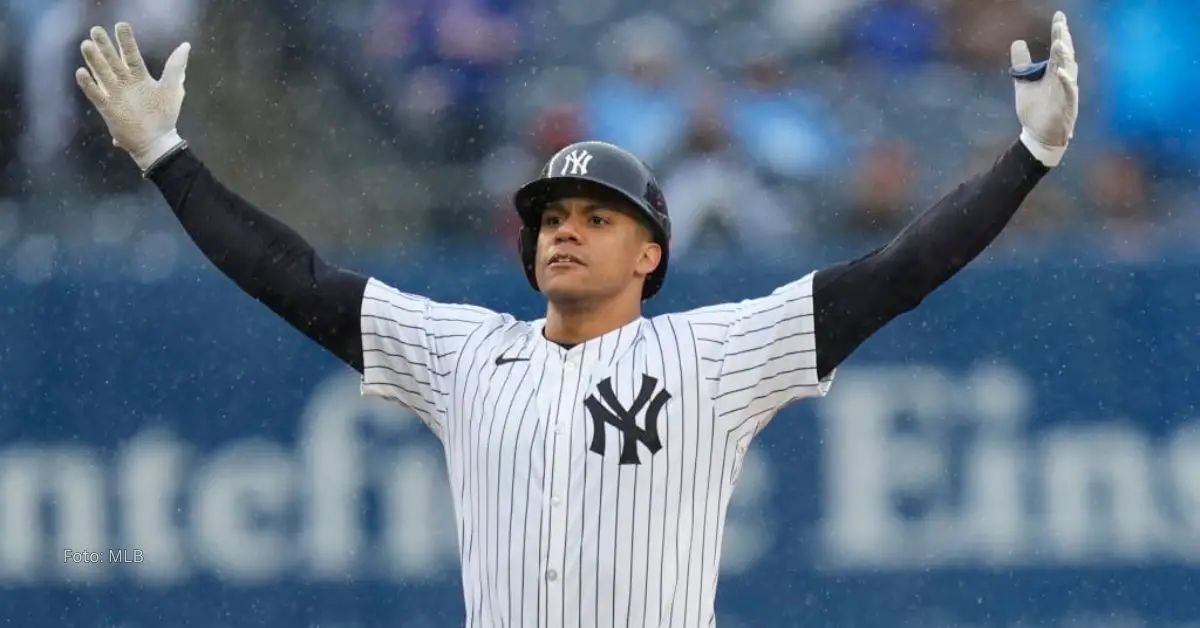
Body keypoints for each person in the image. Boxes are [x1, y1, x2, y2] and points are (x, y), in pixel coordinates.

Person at [73, 14, 1078, 628]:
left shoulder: (713, 356)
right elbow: (294, 277)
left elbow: (896, 272)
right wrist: (168, 156)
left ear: (650, 253)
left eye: (598, 217)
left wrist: (1024, 161)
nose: (567, 229)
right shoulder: (467, 355)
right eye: (553, 215)